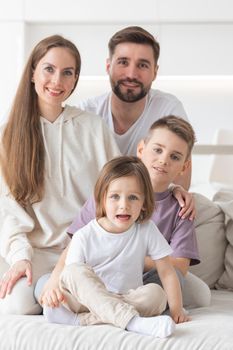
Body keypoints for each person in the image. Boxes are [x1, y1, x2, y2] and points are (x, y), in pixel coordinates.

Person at [0, 35, 121, 315]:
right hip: (35, 251)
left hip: (86, 249)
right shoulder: (8, 135)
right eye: (49, 69)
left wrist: (171, 189)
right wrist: (20, 258)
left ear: (75, 79)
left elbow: (120, 185)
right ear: (32, 72)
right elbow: (7, 210)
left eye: (68, 73)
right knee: (17, 306)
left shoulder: (93, 127)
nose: (57, 81)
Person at [38, 116, 210, 309]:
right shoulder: (107, 192)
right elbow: (75, 246)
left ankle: (103, 308)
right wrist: (55, 279)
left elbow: (179, 266)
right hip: (96, 275)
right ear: (141, 150)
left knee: (180, 283)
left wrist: (129, 258)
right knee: (44, 286)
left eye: (175, 156)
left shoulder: (181, 208)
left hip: (142, 283)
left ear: (184, 167)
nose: (163, 160)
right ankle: (113, 308)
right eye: (158, 150)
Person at [42, 156, 189, 338]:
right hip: (87, 300)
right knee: (73, 272)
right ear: (102, 199)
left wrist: (176, 310)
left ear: (144, 203)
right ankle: (133, 323)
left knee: (156, 295)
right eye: (114, 197)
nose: (124, 205)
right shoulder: (84, 235)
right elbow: (74, 280)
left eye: (133, 197)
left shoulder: (147, 229)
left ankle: (80, 321)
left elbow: (167, 272)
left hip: (128, 298)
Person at [78, 25, 191, 190]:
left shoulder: (169, 108)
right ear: (108, 66)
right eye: (123, 62)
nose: (131, 74)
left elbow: (180, 182)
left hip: (153, 206)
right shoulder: (87, 112)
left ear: (155, 71)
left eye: (143, 65)